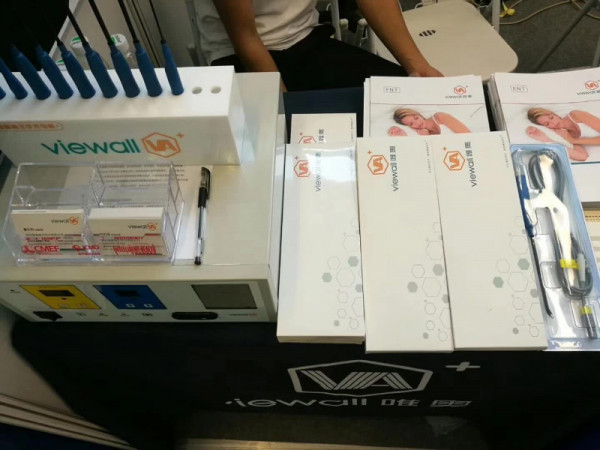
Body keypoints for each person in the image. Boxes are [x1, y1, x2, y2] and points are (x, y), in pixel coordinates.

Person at [196, 0, 442, 91]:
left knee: (407, 103)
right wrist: (285, 112)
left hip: (306, 39)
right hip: (238, 57)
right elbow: (245, 39)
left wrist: (418, 68)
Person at [526, 107, 600, 162]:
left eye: (551, 118)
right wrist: (545, 139)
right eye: (547, 124)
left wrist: (574, 141)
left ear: (555, 115)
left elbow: (574, 141)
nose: (554, 123)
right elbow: (583, 156)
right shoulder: (567, 135)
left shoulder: (576, 115)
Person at [388, 108, 470, 136]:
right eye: (411, 124)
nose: (418, 123)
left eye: (416, 118)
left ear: (419, 115)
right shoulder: (425, 135)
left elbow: (468, 135)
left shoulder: (440, 117)